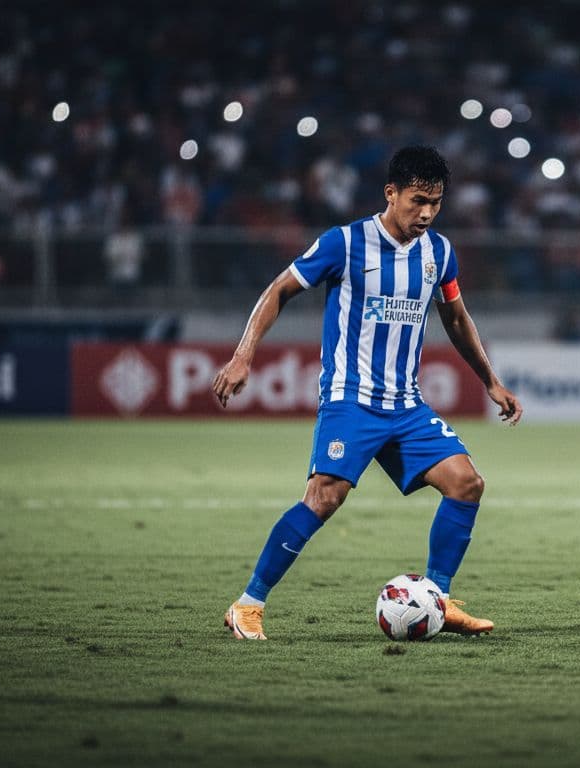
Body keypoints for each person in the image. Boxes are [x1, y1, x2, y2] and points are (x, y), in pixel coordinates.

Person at [212, 146, 522, 640]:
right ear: (391, 193)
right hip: (351, 399)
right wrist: (243, 354)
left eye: (436, 203)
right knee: (324, 498)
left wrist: (490, 380)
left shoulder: (439, 253)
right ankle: (248, 605)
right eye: (418, 200)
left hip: (407, 405)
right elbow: (278, 291)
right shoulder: (345, 243)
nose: (426, 212)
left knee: (467, 483)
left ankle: (437, 602)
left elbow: (457, 319)